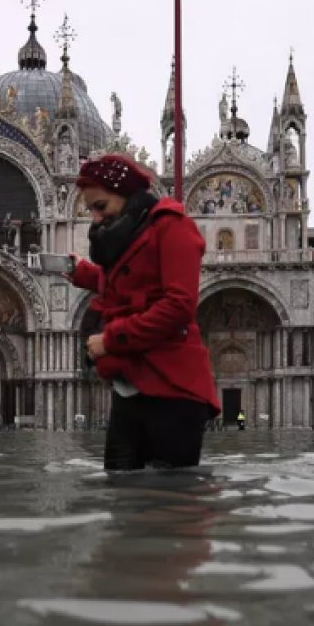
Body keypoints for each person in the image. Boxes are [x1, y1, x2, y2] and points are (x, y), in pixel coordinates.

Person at [65, 153, 219, 470]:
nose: (95, 218)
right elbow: (132, 283)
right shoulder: (130, 233)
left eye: (101, 206)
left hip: (173, 386)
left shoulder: (173, 228)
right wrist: (81, 272)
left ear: (126, 196)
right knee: (120, 490)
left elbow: (178, 306)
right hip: (132, 382)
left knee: (171, 499)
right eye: (90, 209)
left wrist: (110, 341)